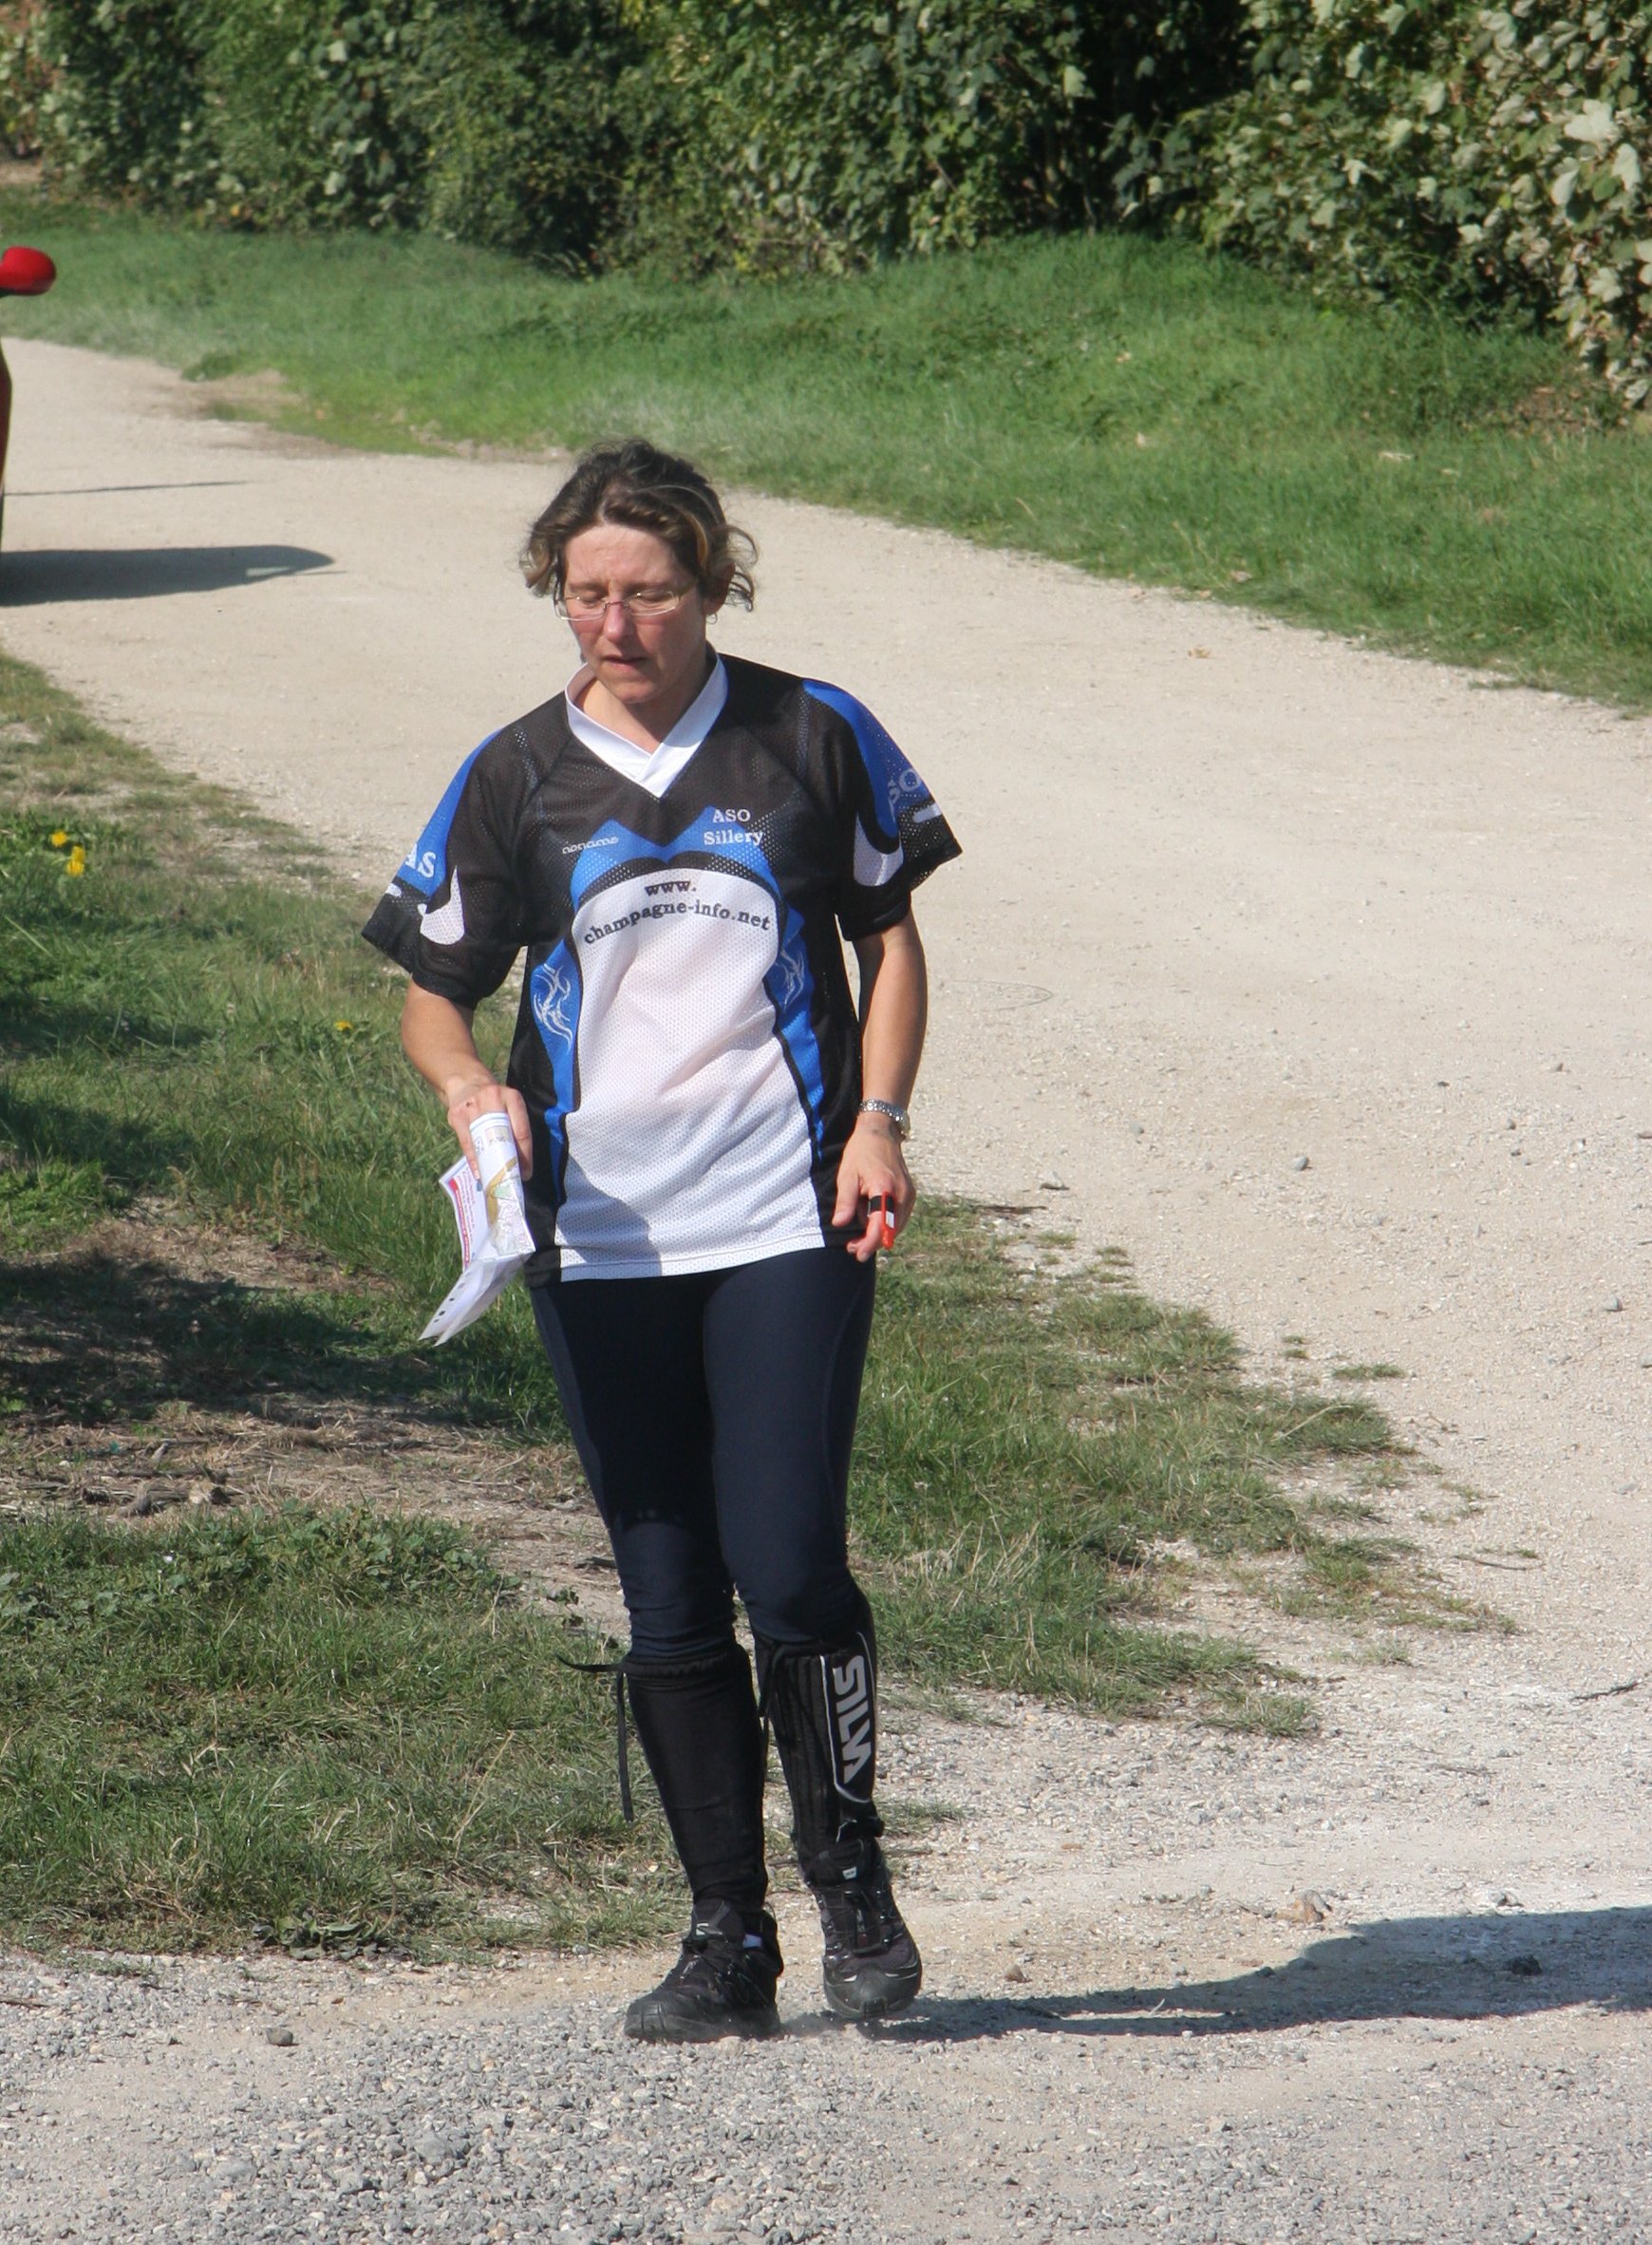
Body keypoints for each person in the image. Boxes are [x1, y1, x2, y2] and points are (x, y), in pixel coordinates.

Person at [363, 438, 960, 2042]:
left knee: (790, 1561)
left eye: (649, 593)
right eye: (586, 595)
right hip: (597, 1237)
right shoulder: (513, 776)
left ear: (712, 585)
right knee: (669, 1590)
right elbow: (434, 995)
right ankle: (724, 1938)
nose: (615, 625)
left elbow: (889, 937)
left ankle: (851, 1886)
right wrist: (470, 1089)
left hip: (782, 1210)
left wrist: (880, 1120)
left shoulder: (810, 733)